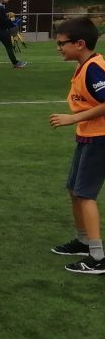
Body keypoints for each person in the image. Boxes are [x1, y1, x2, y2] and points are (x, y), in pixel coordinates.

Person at [48, 17, 105, 274]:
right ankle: (83, 241)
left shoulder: (94, 68)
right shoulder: (84, 66)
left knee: (85, 195)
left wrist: (73, 118)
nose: (59, 48)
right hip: (88, 136)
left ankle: (98, 256)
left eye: (62, 43)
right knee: (74, 189)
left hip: (100, 138)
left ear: (79, 44)